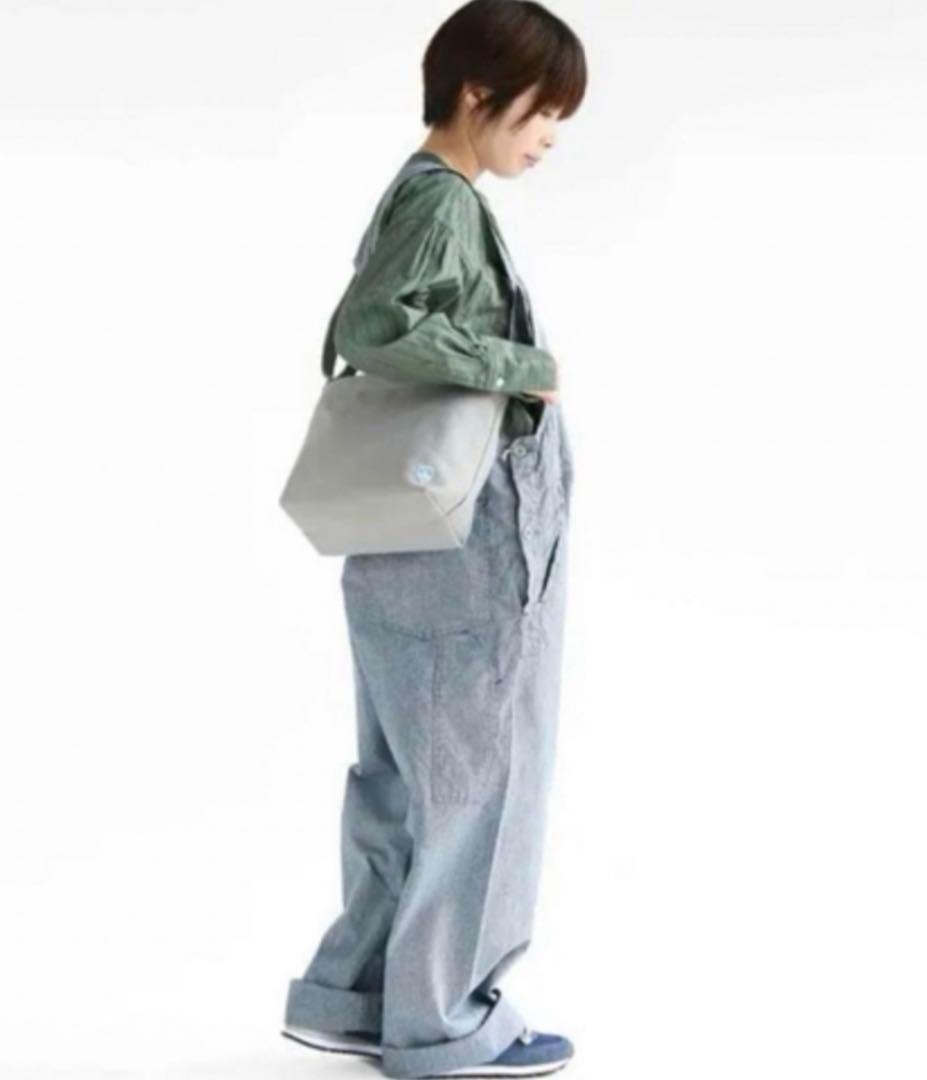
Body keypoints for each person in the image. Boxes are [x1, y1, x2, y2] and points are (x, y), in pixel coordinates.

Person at [281, 2, 587, 1076]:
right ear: (476, 92)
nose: (547, 136)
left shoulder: (420, 195)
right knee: (479, 779)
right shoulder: (443, 199)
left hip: (408, 526)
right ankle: (446, 1021)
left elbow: (367, 326)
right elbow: (371, 326)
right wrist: (522, 368)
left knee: (407, 776)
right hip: (465, 534)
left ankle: (356, 996)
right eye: (541, 111)